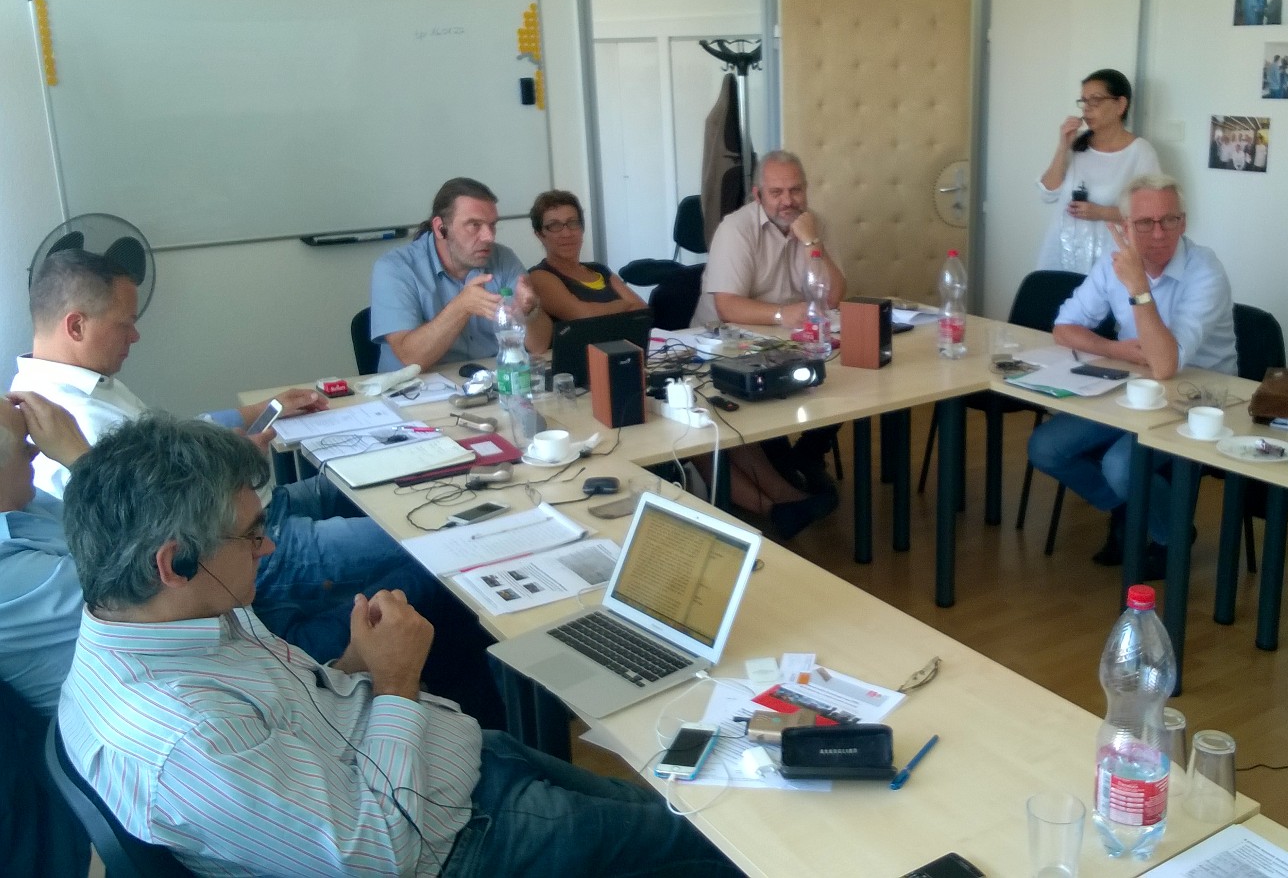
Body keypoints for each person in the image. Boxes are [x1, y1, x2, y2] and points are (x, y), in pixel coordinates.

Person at [56, 414, 740, 877]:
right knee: (722, 846)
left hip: (455, 763)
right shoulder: (183, 740)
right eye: (251, 535)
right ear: (172, 562)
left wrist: (352, 664)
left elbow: (292, 720)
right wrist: (394, 682)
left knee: (688, 813)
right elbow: (379, 855)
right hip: (457, 841)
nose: (266, 548)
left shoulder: (175, 616)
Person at [10, 249, 504, 724]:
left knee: (385, 472)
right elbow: (149, 534)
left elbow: (174, 434)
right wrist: (223, 464)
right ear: (76, 326)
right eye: (125, 323)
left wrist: (256, 413)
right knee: (427, 544)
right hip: (249, 542)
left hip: (258, 511)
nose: (135, 335)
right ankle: (478, 697)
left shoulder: (89, 383)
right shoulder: (69, 427)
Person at [1026, 174, 1235, 571]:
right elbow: (1064, 327)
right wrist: (1113, 349)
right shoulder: (1114, 263)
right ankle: (1132, 508)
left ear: (1184, 223)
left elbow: (1166, 365)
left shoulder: (1205, 270)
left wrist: (1139, 287)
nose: (1158, 233)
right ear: (1124, 226)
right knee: (1046, 447)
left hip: (1199, 399)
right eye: (1144, 223)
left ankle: (1171, 536)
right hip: (1136, 389)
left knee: (1121, 465)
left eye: (1169, 220)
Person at [692, 150, 844, 537]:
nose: (787, 201)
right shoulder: (736, 229)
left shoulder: (813, 224)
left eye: (795, 190)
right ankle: (786, 495)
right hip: (722, 348)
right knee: (725, 421)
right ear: (758, 195)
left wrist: (811, 242)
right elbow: (726, 306)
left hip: (788, 345)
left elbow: (833, 297)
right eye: (776, 192)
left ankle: (803, 461)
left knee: (849, 379)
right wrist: (781, 315)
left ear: (806, 190)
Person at [371, 177, 550, 372]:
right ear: (440, 229)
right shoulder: (395, 268)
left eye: (492, 225)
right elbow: (410, 358)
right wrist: (462, 307)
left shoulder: (503, 258)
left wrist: (529, 313)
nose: (489, 237)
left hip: (491, 381)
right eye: (474, 225)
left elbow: (540, 346)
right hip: (418, 387)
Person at [0, 391, 90, 715]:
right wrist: (81, 458)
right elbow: (162, 581)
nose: (36, 450)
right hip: (131, 714)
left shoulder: (26, 501)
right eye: (24, 444)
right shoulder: (10, 571)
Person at [1036, 69, 1161, 276]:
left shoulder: (1140, 152)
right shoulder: (1077, 145)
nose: (1087, 108)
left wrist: (1101, 213)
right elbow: (1047, 193)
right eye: (1084, 101)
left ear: (1120, 105)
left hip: (1109, 261)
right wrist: (1063, 146)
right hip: (1060, 255)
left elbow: (1153, 214)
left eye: (1095, 101)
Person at [525, 189, 647, 321]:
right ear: (540, 235)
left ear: (582, 229)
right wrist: (623, 305)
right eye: (554, 226)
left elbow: (642, 309)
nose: (566, 234)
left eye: (573, 223)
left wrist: (600, 310)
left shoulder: (599, 269)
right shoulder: (538, 276)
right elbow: (581, 315)